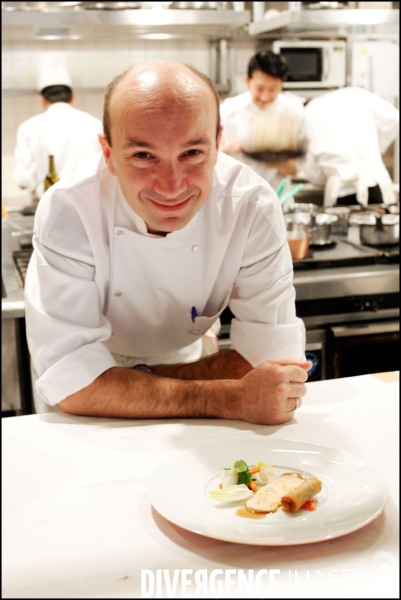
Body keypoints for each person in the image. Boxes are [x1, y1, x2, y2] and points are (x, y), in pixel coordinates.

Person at [24, 61, 311, 426]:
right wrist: (227, 394)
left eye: (192, 153)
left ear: (218, 143)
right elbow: (72, 379)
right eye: (143, 156)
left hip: (192, 367)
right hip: (86, 417)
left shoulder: (250, 206)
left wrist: (125, 386)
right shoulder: (71, 209)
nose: (171, 186)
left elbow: (273, 363)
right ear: (108, 154)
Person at [278, 87, 399, 207]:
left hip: (340, 191)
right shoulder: (355, 93)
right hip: (373, 180)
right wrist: (372, 151)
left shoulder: (305, 117)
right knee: (380, 224)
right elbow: (394, 118)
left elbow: (313, 173)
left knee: (342, 225)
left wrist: (332, 174)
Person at [14, 52, 103, 201]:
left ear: (42, 98)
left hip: (50, 205)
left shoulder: (28, 128)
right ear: (72, 95)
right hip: (92, 203)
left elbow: (24, 181)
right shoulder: (94, 124)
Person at [219, 50, 305, 191]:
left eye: (272, 89)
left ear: (281, 84)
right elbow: (209, 158)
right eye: (259, 88)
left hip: (277, 197)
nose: (265, 96)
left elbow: (298, 169)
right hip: (237, 197)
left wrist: (275, 159)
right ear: (247, 81)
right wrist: (230, 148)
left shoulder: (293, 113)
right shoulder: (228, 110)